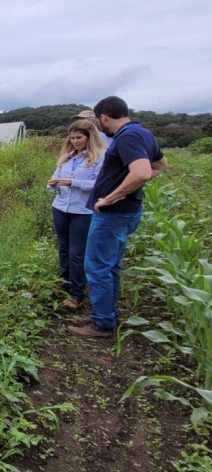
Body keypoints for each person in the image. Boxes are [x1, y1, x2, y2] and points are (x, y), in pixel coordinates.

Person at [69, 96, 167, 338]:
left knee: (98, 266)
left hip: (113, 215)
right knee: (111, 265)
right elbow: (161, 165)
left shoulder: (128, 137)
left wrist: (111, 197)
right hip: (126, 212)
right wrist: (127, 188)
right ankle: (105, 313)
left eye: (97, 121)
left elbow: (143, 172)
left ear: (103, 118)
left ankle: (101, 323)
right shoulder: (143, 133)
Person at [47, 120, 106, 310]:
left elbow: (99, 185)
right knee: (63, 248)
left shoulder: (99, 157)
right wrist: (53, 184)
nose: (75, 141)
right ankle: (63, 283)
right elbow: (54, 180)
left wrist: (73, 182)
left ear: (89, 137)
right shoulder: (67, 157)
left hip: (83, 211)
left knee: (77, 253)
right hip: (61, 207)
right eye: (72, 138)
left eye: (79, 137)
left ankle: (76, 294)